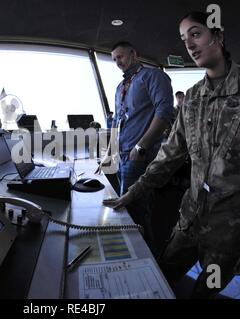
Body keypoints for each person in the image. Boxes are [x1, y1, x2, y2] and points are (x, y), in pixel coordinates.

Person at [103, 11, 240, 298]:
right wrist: (133, 192)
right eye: (183, 38)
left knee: (204, 291)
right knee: (163, 276)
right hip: (190, 220)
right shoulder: (192, 99)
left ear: (218, 36)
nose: (189, 43)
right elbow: (169, 155)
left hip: (230, 232)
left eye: (196, 33)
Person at [97, 41, 174, 252]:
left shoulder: (153, 76)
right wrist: (110, 152)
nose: (117, 62)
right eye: (114, 59)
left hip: (140, 154)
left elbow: (165, 113)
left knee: (133, 210)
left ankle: (148, 260)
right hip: (122, 154)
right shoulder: (120, 87)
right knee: (129, 209)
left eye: (120, 57)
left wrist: (140, 147)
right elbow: (116, 121)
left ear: (134, 53)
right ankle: (138, 256)